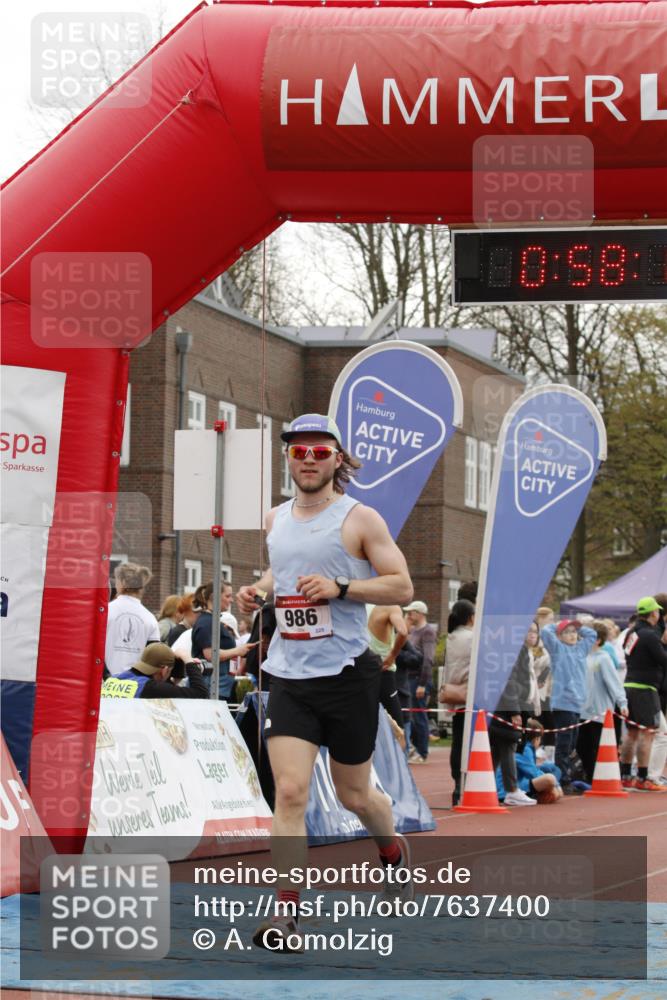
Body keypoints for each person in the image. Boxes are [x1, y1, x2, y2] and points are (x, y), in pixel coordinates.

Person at [236, 413, 413, 952]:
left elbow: (401, 585)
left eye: (319, 451)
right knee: (290, 792)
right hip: (289, 674)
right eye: (298, 451)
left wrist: (340, 587)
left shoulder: (361, 519)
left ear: (337, 459)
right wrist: (257, 590)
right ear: (288, 458)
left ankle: (391, 852)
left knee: (356, 794)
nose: (308, 459)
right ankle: (286, 913)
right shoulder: (275, 519)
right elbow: (281, 572)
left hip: (347, 675)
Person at [541, 617, 597, 792]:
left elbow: (592, 634)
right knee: (564, 743)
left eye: (574, 632)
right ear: (559, 635)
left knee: (572, 742)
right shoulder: (558, 649)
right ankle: (563, 780)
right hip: (562, 703)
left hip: (577, 703)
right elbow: (545, 632)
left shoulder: (581, 649)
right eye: (567, 632)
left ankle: (567, 776)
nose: (572, 635)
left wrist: (578, 624)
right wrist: (558, 624)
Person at [619, 597, 667, 792]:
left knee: (632, 733)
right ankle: (644, 777)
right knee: (651, 733)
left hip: (629, 684)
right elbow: (663, 660)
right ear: (654, 613)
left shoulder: (631, 633)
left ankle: (626, 775)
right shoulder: (649, 635)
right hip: (645, 688)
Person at [576, 621, 628, 782]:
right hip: (582, 712)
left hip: (599, 712)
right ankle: (588, 774)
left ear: (597, 640)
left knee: (595, 747)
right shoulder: (581, 656)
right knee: (581, 746)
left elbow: (614, 683)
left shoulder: (603, 658)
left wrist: (622, 702)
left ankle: (596, 778)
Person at [191, 581, 256, 700]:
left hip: (219, 688)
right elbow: (211, 655)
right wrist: (238, 651)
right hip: (211, 689)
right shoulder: (207, 622)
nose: (231, 600)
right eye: (228, 596)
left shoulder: (213, 621)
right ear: (214, 597)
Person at [439, 598, 475, 807]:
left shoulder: (451, 637)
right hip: (469, 693)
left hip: (455, 694)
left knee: (457, 742)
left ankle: (457, 784)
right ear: (471, 617)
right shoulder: (473, 637)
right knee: (469, 743)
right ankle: (465, 783)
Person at [104, 563, 160, 675]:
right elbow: (154, 657)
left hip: (105, 682)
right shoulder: (149, 618)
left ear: (122, 582)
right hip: (136, 683)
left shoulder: (106, 611)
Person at [367, 604, 409, 747]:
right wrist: (392, 655)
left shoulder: (355, 604)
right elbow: (403, 632)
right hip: (383, 672)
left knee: (363, 727)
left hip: (359, 673)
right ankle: (399, 765)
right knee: (398, 731)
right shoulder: (390, 607)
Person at [101, 642, 208, 698]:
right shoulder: (150, 688)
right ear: (164, 670)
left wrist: (175, 680)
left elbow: (167, 687)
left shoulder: (114, 679)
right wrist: (187, 659)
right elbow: (200, 693)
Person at [403, 600, 437, 763]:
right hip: (410, 677)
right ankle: (415, 748)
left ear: (420, 613)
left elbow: (428, 658)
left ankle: (422, 751)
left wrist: (423, 683)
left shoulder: (427, 632)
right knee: (413, 714)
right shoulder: (414, 631)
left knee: (419, 715)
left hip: (419, 679)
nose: (409, 615)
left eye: (411, 612)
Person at [648, 594, 667, 786]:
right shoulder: (654, 631)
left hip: (655, 686)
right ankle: (650, 775)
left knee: (651, 733)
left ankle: (648, 773)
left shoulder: (650, 631)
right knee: (658, 733)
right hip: (654, 687)